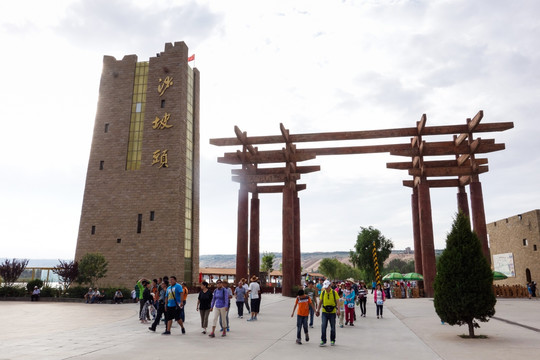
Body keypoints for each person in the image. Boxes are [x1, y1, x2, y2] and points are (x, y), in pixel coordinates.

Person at [316, 280, 340, 347]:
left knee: (332, 327)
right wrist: (318, 310)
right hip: (324, 312)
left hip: (332, 312)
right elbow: (320, 302)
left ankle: (332, 340)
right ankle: (323, 340)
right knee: (323, 326)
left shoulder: (334, 292)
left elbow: (338, 301)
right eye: (325, 287)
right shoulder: (323, 293)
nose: (326, 288)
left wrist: (338, 310)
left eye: (327, 287)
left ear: (330, 286)